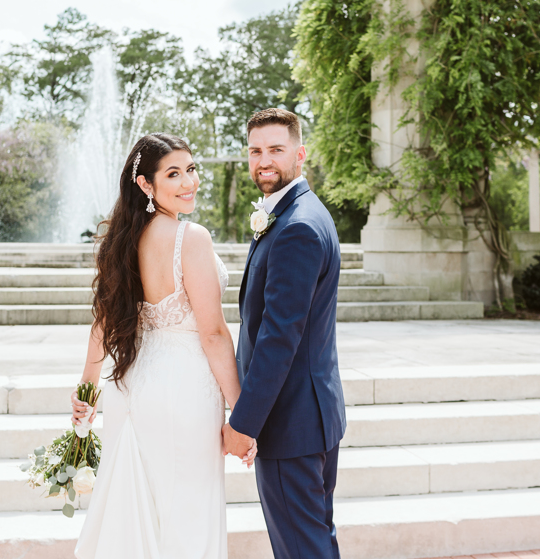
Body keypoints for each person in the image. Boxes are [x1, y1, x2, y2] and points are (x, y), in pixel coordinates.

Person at [72, 133, 256, 559]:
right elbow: (212, 333)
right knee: (188, 516)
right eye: (173, 174)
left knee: (137, 511)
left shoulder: (122, 240)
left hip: (132, 387)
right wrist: (240, 414)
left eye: (191, 169)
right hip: (184, 390)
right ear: (145, 185)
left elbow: (103, 319)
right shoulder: (190, 238)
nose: (188, 182)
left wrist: (87, 388)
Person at [222, 109, 346, 559]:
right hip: (310, 418)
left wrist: (244, 423)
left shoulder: (296, 227)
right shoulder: (301, 213)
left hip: (290, 423)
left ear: (300, 152)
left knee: (302, 548)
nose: (264, 161)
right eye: (256, 151)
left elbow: (279, 339)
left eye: (276, 149)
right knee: (312, 541)